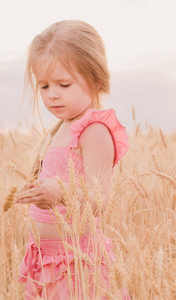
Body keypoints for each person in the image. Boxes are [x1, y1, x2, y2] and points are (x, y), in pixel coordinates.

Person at [14, 20, 130, 299]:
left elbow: (99, 198)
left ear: (97, 79)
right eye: (43, 86)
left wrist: (58, 193)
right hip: (48, 261)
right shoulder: (62, 128)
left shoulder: (94, 130)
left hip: (78, 264)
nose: (52, 94)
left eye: (63, 84)